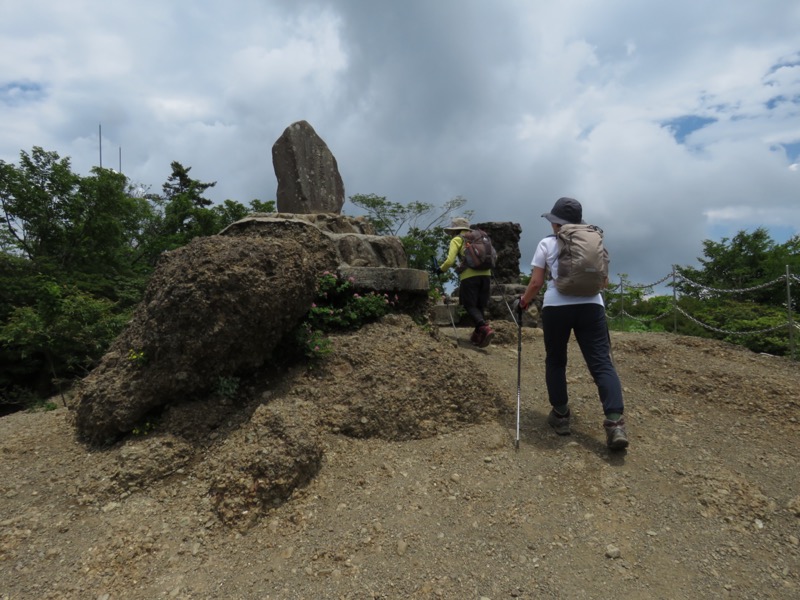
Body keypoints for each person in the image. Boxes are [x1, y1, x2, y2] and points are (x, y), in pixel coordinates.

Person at [515, 197, 628, 450]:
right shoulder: (593, 240)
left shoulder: (546, 243)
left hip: (557, 307)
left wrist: (523, 303)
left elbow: (536, 283)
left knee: (556, 360)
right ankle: (615, 424)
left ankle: (561, 415)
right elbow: (604, 281)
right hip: (592, 306)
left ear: (555, 223)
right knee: (601, 363)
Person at [438, 217, 495, 347]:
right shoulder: (480, 238)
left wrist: (440, 270)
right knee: (480, 306)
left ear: (455, 230)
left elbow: (450, 261)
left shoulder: (457, 239)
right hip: (486, 275)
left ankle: (484, 328)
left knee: (469, 305)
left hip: (469, 277)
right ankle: (478, 336)